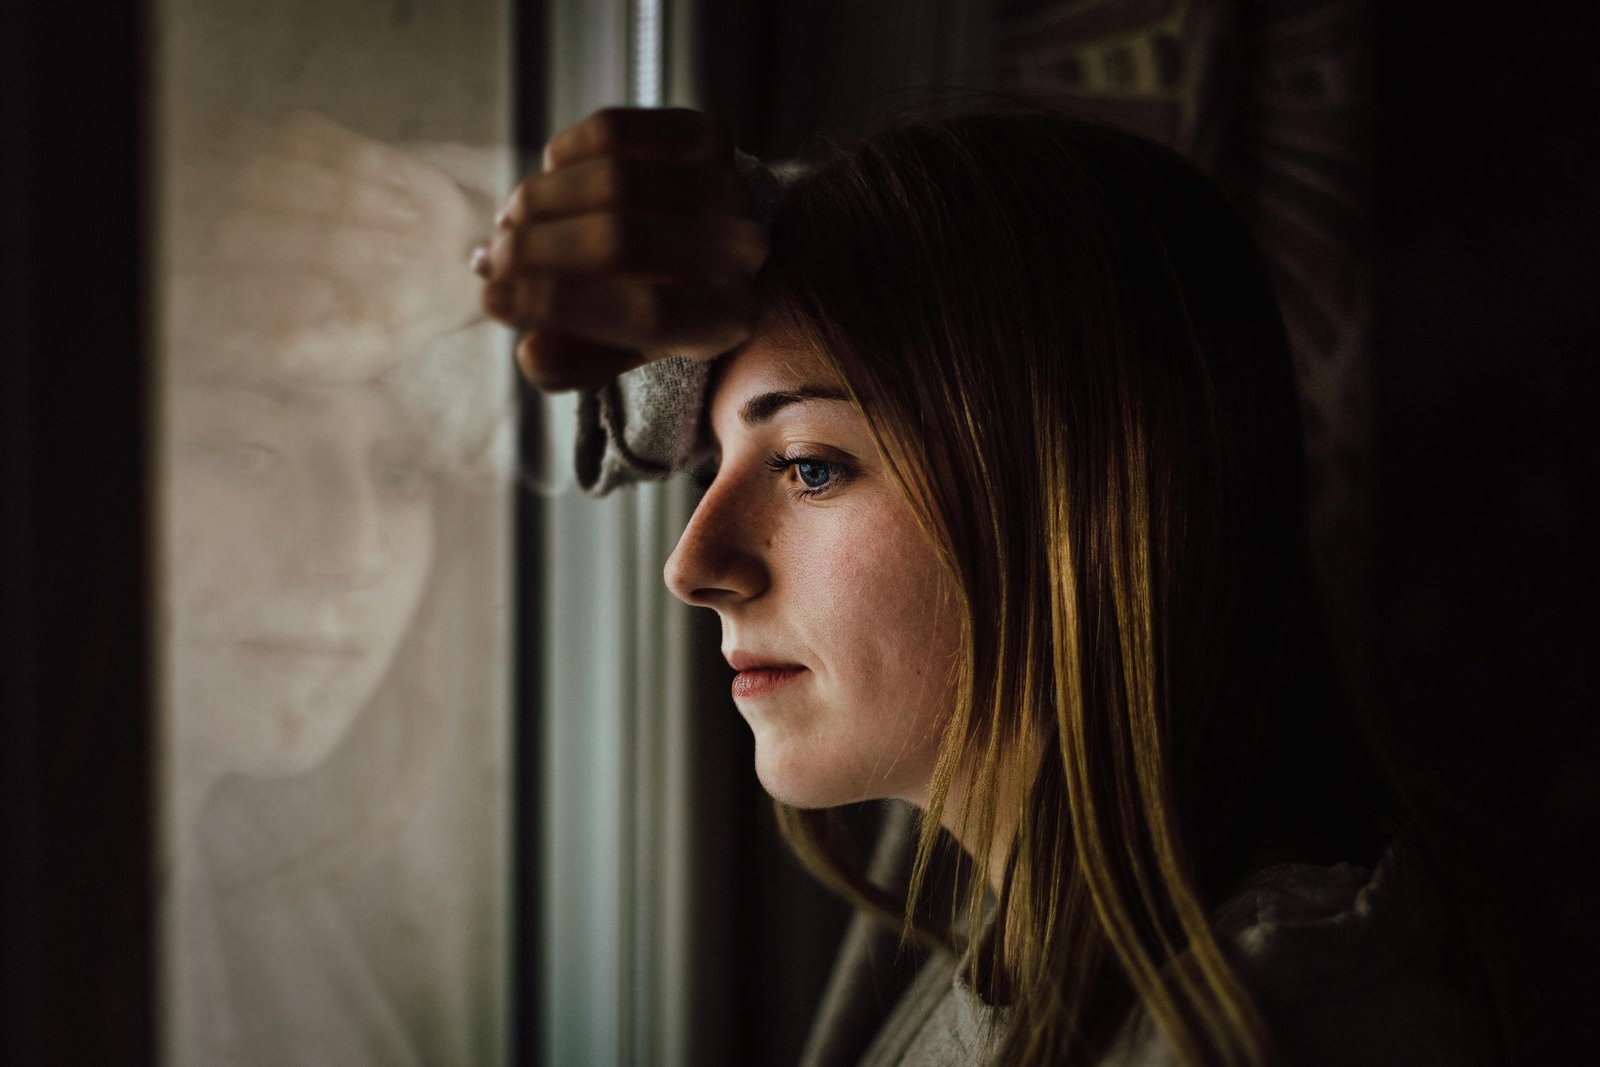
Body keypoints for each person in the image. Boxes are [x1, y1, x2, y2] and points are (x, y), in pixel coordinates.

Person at [478, 106, 1495, 1065]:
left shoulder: (1253, 1024)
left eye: (810, 466)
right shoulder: (1030, 906)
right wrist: (726, 236)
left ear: (1075, 499)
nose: (692, 567)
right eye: (715, 460)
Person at [162, 109, 513, 1065]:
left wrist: (471, 247)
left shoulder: (289, 900)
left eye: (403, 472)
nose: (351, 551)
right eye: (243, 452)